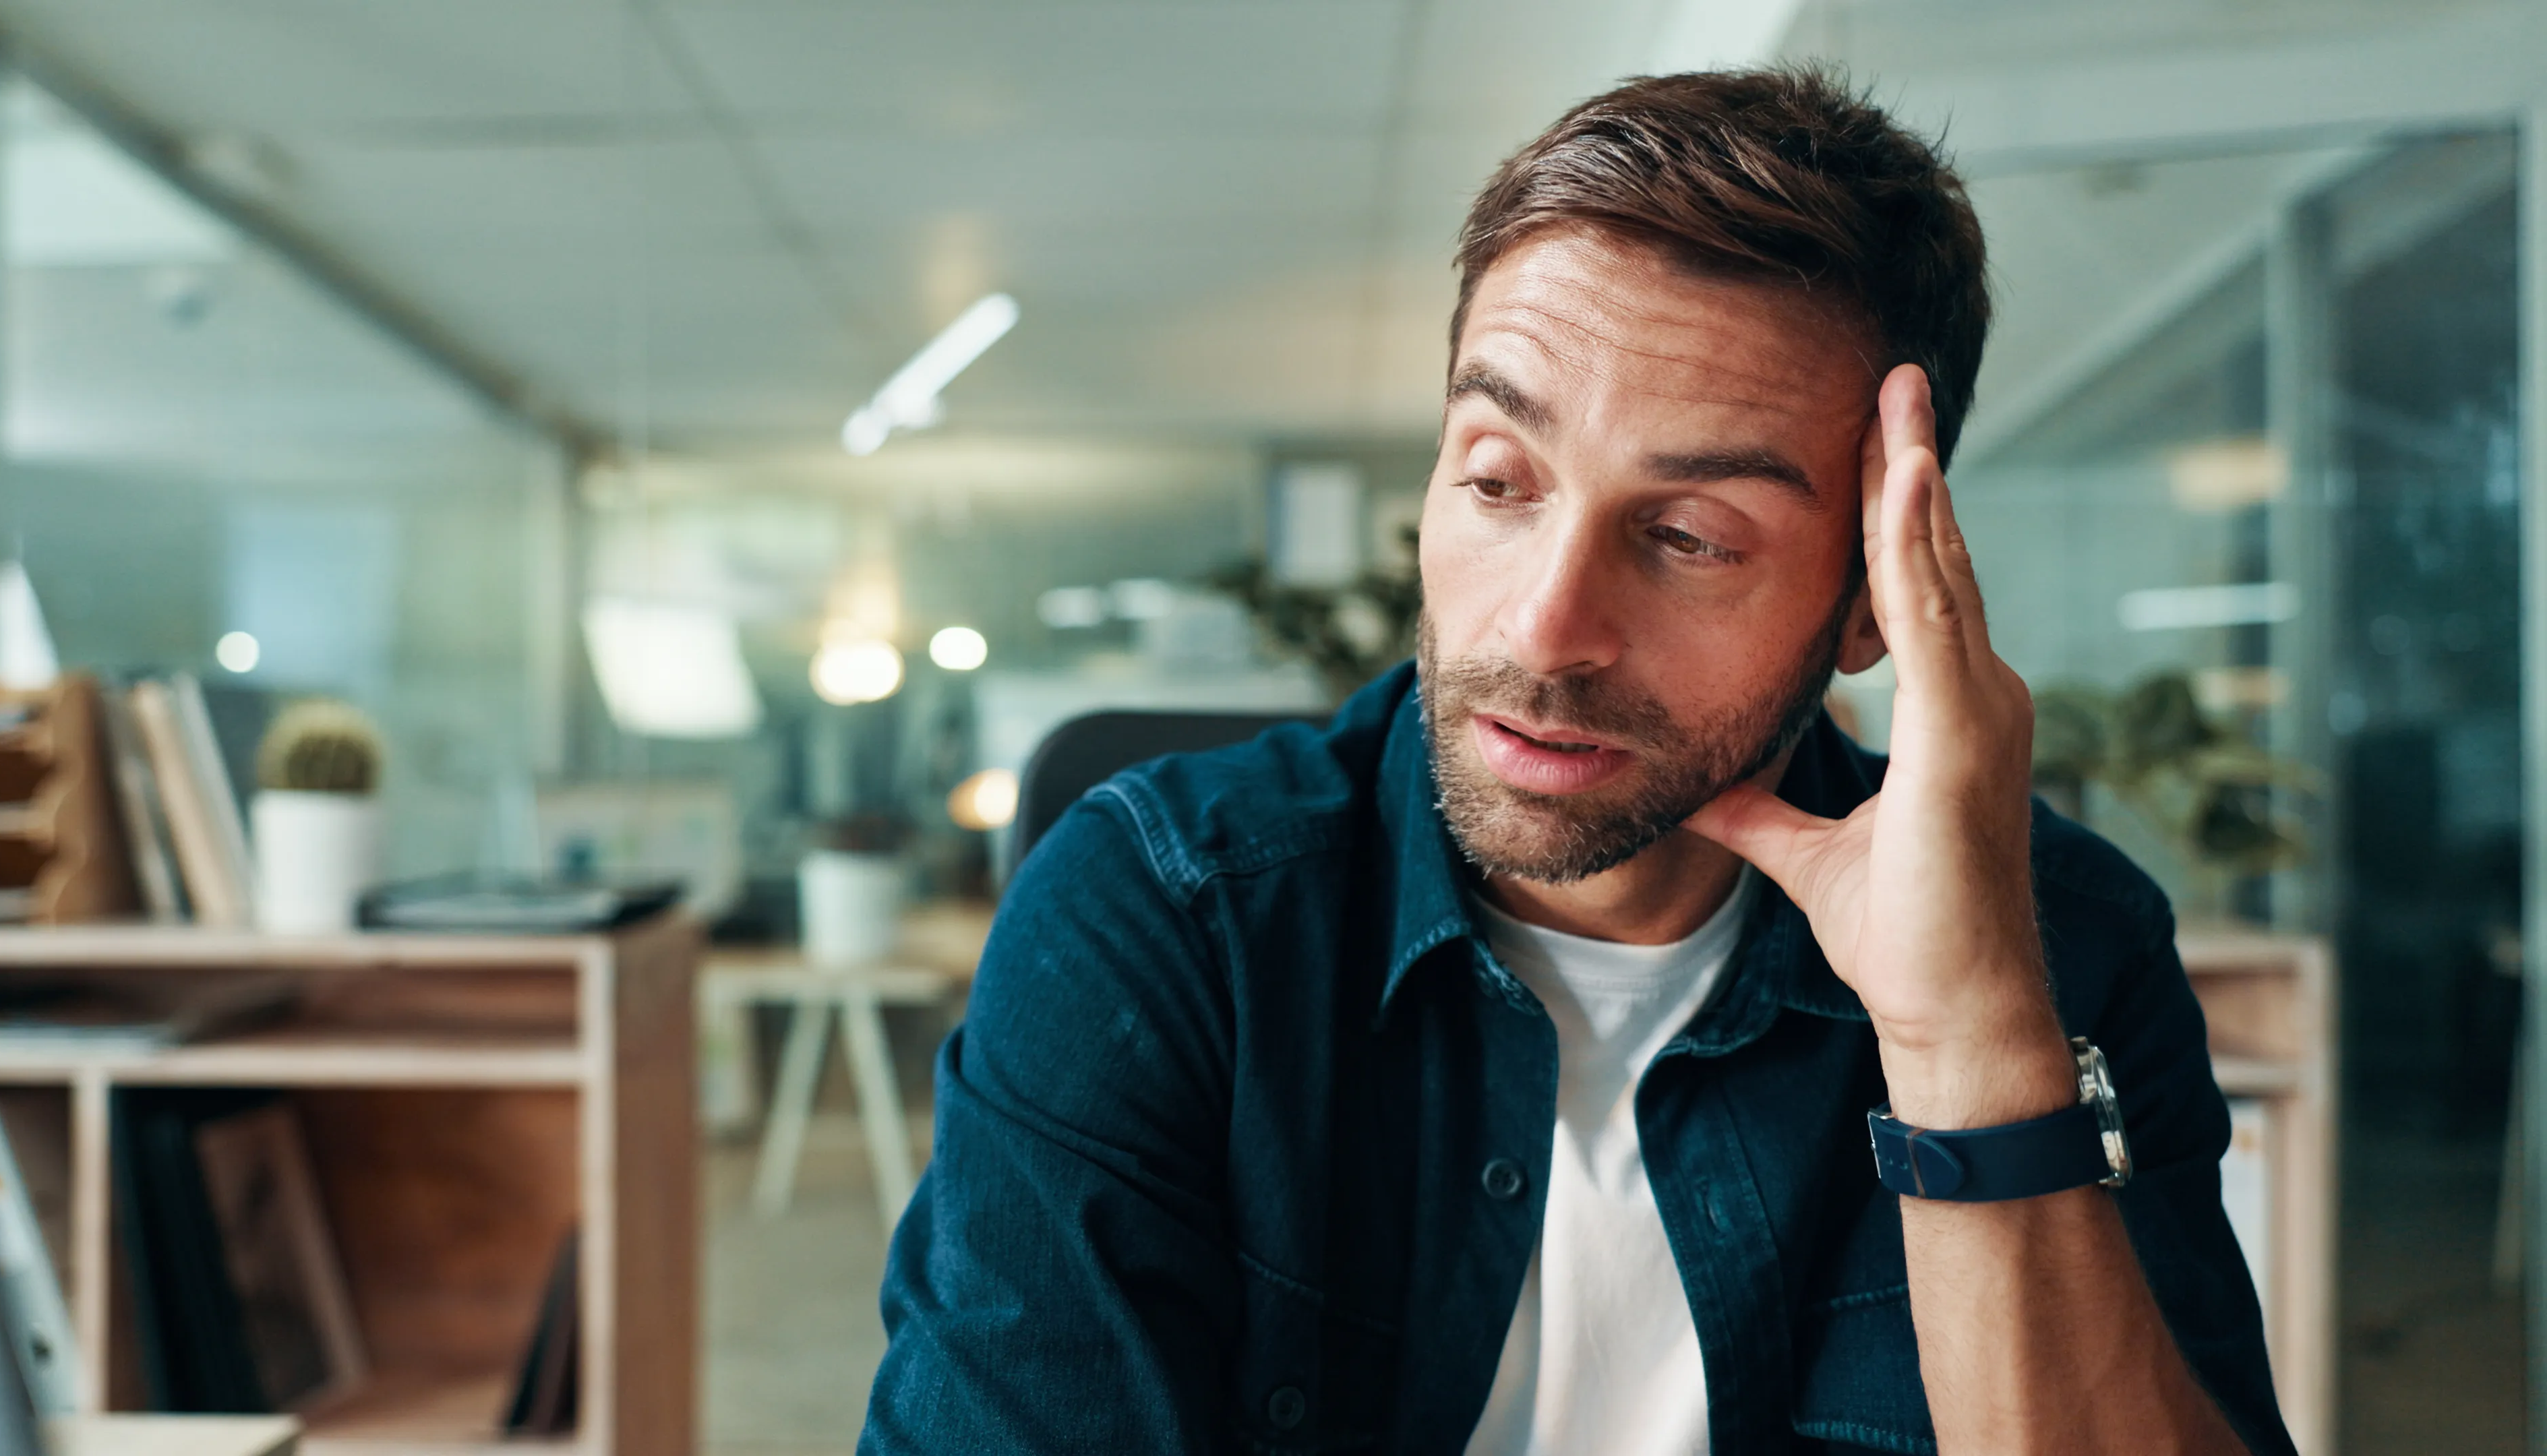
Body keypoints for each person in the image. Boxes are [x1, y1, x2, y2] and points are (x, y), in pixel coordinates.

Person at [862, 67, 2288, 1455]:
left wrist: (1966, 1038)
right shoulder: (1164, 912)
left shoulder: (2063, 947)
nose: (1544, 628)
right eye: (1498, 481)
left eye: (1689, 538)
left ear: (1870, 598)